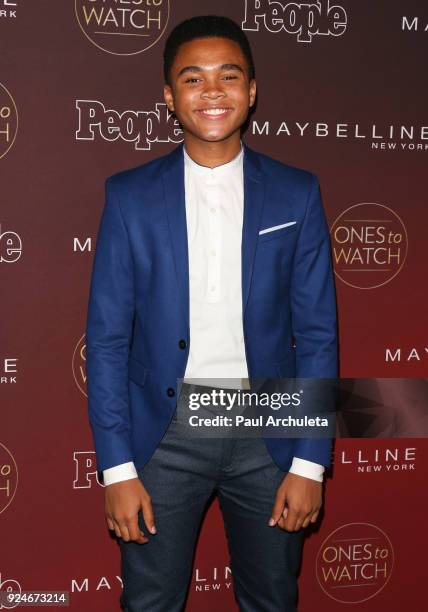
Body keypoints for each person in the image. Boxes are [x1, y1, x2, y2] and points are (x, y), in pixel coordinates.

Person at [86, 14, 338, 612]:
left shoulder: (297, 191)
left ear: (252, 91)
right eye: (193, 79)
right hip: (164, 436)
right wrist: (117, 470)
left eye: (229, 76)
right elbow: (107, 341)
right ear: (169, 96)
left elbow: (318, 334)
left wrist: (310, 460)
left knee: (272, 599)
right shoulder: (128, 195)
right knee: (149, 601)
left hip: (268, 431)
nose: (213, 91)